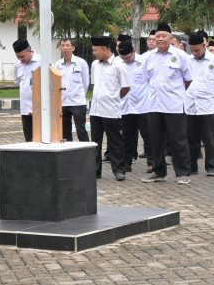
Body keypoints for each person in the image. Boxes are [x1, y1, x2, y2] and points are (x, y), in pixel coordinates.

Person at [141, 23, 194, 184]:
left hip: (174, 105)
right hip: (154, 105)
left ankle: (183, 173)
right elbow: (147, 79)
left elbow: (188, 79)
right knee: (155, 140)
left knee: (178, 140)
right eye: (157, 36)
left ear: (170, 38)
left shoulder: (180, 55)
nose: (160, 39)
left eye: (163, 36)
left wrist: (174, 93)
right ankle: (159, 172)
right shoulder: (149, 57)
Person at [89, 36, 131, 180]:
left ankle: (119, 170)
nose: (94, 53)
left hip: (111, 111)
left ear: (105, 49)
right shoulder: (95, 65)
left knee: (115, 142)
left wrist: (114, 98)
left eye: (96, 50)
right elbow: (94, 84)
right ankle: (95, 170)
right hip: (95, 110)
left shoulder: (119, 65)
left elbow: (126, 87)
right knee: (95, 142)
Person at [185, 33, 214, 176]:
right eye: (192, 50)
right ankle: (191, 165)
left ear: (204, 45)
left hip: (207, 105)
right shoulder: (187, 61)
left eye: (197, 50)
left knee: (210, 138)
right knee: (191, 138)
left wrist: (213, 96)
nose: (194, 53)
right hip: (190, 105)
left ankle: (211, 166)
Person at [118, 40, 153, 172]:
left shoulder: (144, 61)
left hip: (143, 105)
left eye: (128, 57)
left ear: (133, 52)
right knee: (127, 137)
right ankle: (126, 163)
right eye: (123, 58)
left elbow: (150, 80)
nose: (126, 59)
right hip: (126, 106)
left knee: (148, 136)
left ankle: (151, 162)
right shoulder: (118, 64)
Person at [56, 38, 89, 142]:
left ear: (73, 48)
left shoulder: (81, 62)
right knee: (65, 132)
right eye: (62, 45)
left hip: (78, 102)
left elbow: (86, 82)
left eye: (67, 45)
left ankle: (85, 154)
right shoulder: (57, 64)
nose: (65, 48)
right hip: (63, 102)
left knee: (81, 130)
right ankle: (69, 154)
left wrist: (80, 95)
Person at [12, 39, 41, 142]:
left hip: (40, 109)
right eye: (18, 56)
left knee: (41, 139)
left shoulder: (42, 61)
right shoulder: (17, 64)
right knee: (28, 139)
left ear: (29, 50)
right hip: (25, 109)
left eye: (22, 56)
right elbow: (17, 80)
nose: (20, 59)